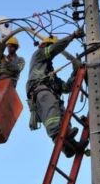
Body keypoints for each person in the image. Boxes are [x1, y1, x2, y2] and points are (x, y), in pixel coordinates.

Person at [26, 29, 89, 158]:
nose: (50, 49)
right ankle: (57, 135)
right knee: (52, 109)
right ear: (43, 46)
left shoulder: (51, 75)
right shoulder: (38, 55)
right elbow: (54, 49)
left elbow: (66, 88)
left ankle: (69, 147)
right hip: (40, 91)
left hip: (50, 93)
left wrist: (75, 72)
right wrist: (72, 36)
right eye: (48, 46)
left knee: (64, 114)